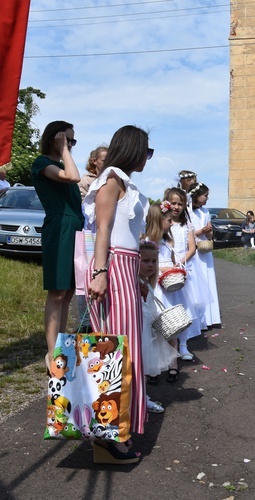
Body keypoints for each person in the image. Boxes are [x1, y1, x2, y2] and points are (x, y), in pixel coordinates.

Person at [84, 125, 151, 464]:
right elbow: (104, 228)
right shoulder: (110, 179)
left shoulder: (120, 181)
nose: (147, 158)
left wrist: (136, 273)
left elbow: (127, 234)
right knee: (113, 350)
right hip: (110, 266)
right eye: (146, 151)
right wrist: (100, 272)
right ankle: (108, 436)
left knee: (121, 348)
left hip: (124, 267)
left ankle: (114, 432)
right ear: (133, 150)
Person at [31, 121, 83, 367]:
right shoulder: (43, 163)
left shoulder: (62, 163)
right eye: (67, 139)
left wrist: (65, 153)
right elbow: (74, 177)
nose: (71, 144)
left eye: (73, 141)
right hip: (59, 228)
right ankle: (52, 352)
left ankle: (61, 343)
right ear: (55, 137)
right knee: (57, 291)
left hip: (75, 229)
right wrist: (64, 149)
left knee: (69, 291)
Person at [145, 201, 199, 380]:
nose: (172, 223)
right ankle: (154, 366)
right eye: (168, 220)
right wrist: (163, 270)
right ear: (158, 220)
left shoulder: (168, 241)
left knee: (172, 326)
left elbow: (173, 258)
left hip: (171, 286)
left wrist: (177, 268)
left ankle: (173, 362)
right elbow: (149, 265)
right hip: (157, 287)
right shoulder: (148, 242)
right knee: (156, 327)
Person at [137, 239, 178, 412]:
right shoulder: (135, 283)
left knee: (142, 370)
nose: (151, 265)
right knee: (137, 367)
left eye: (154, 261)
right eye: (145, 261)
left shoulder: (147, 283)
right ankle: (138, 399)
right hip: (139, 331)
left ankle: (142, 398)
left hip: (148, 331)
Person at [163, 187, 204, 355]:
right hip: (166, 267)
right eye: (173, 203)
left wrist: (179, 263)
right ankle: (167, 345)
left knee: (186, 306)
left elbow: (192, 248)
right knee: (168, 307)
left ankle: (183, 344)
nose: (177, 207)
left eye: (180, 204)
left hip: (182, 267)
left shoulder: (186, 224)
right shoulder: (163, 222)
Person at [75, 146, 108, 333]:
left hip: (104, 232)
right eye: (104, 159)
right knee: (86, 273)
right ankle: (86, 320)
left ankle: (103, 316)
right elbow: (83, 206)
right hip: (89, 231)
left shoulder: (111, 179)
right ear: (94, 160)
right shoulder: (85, 181)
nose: (106, 162)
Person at [188, 182, 222, 328]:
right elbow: (186, 233)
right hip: (193, 251)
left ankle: (210, 317)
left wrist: (209, 233)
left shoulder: (205, 212)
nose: (207, 198)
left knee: (207, 281)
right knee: (196, 283)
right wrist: (200, 232)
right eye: (205, 195)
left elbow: (209, 233)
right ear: (197, 196)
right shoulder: (188, 212)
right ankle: (198, 319)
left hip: (205, 251)